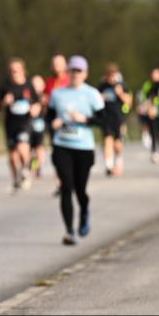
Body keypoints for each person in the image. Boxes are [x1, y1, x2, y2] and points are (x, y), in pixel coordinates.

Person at [47, 55, 105, 246]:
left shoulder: (92, 94)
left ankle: (84, 211)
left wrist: (84, 119)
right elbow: (48, 117)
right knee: (66, 186)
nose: (74, 74)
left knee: (80, 189)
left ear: (85, 74)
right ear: (67, 72)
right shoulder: (57, 94)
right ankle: (69, 231)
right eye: (72, 70)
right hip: (62, 145)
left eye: (78, 71)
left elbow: (103, 120)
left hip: (84, 147)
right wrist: (53, 123)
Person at [0, 58, 38, 192]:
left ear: (23, 71)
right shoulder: (5, 86)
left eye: (16, 70)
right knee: (12, 156)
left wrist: (35, 109)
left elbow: (37, 102)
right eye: (11, 70)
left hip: (25, 122)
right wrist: (4, 102)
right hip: (10, 123)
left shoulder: (28, 85)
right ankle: (16, 179)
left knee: (22, 147)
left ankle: (27, 170)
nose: (14, 73)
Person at [97, 63, 131, 177]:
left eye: (113, 75)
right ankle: (109, 166)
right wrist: (100, 98)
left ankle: (119, 160)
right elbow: (96, 101)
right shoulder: (102, 86)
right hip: (105, 118)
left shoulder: (122, 85)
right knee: (107, 140)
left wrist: (120, 93)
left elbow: (128, 102)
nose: (111, 78)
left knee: (117, 144)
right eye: (109, 75)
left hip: (118, 118)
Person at [138, 68, 159, 162]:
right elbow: (143, 98)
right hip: (151, 111)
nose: (154, 76)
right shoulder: (148, 85)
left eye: (156, 74)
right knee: (153, 131)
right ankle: (154, 150)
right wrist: (149, 108)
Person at [29, 75, 48, 178]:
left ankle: (38, 166)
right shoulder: (28, 96)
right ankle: (33, 166)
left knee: (39, 147)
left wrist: (43, 104)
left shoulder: (44, 97)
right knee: (31, 149)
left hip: (40, 125)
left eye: (38, 84)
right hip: (29, 125)